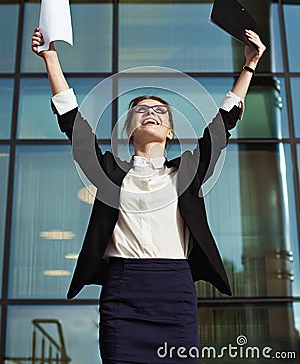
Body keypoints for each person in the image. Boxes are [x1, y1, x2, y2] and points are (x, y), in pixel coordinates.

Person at [32, 28, 266, 364]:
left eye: (159, 110)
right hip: (123, 291)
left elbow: (221, 125)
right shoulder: (110, 172)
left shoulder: (187, 172)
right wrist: (51, 58)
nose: (150, 112)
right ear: (128, 128)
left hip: (175, 292)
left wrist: (250, 65)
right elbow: (75, 127)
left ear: (171, 130)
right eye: (140, 110)